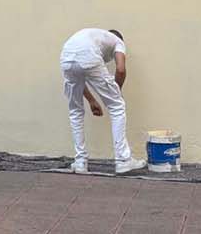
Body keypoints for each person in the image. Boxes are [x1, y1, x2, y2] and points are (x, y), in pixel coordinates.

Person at [60, 28, 145, 175]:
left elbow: (80, 74)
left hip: (66, 57)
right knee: (117, 106)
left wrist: (92, 101)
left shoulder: (95, 37)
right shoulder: (117, 40)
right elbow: (120, 70)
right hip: (87, 55)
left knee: (75, 111)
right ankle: (123, 161)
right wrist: (115, 95)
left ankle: (80, 162)